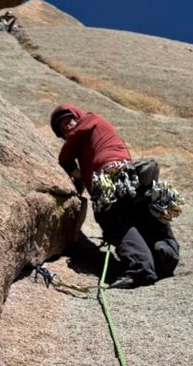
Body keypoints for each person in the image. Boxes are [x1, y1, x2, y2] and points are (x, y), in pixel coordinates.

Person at [50, 104, 180, 288]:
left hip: (114, 179)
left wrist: (71, 168)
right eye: (63, 128)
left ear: (78, 116)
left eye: (69, 120)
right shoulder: (89, 143)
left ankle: (141, 270)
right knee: (143, 218)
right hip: (133, 180)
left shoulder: (90, 119)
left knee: (113, 220)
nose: (68, 126)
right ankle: (164, 255)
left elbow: (64, 156)